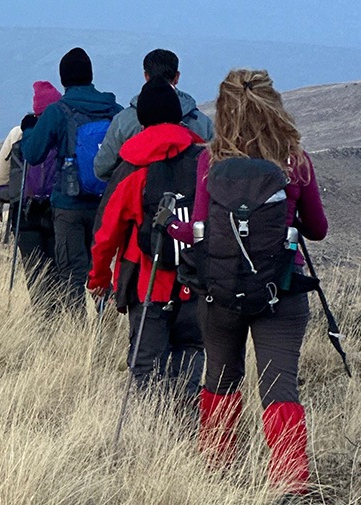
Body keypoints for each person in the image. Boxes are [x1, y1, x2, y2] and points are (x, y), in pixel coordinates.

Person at [163, 69, 327, 496]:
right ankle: (290, 483)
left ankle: (217, 473)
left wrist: (172, 229)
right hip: (282, 290)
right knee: (280, 385)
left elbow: (199, 228)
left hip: (220, 293)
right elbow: (319, 229)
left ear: (224, 109)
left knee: (219, 378)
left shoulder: (210, 162)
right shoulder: (295, 161)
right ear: (275, 106)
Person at [87, 78, 205, 401]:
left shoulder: (132, 168)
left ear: (141, 121)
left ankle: (151, 441)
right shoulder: (203, 161)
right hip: (197, 281)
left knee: (146, 370)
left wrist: (99, 278)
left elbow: (105, 233)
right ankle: (184, 435)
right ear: (179, 116)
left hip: (147, 284)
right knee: (191, 357)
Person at [21, 47, 123, 314]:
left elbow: (33, 154)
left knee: (71, 272)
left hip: (69, 204)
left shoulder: (58, 111)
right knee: (100, 268)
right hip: (106, 205)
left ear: (63, 79)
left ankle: (76, 336)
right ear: (90, 76)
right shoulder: (114, 109)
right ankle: (108, 322)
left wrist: (30, 129)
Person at [0, 81, 62, 308]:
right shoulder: (64, 130)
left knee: (34, 273)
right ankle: (59, 321)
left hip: (25, 214)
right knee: (57, 273)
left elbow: (0, 179)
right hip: (57, 213)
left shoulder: (18, 134)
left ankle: (41, 319)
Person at [93, 49, 214, 182]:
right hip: (189, 198)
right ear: (177, 76)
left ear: (146, 76)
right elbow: (214, 166)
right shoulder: (202, 122)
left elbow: (103, 168)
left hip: (137, 197)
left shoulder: (123, 121)